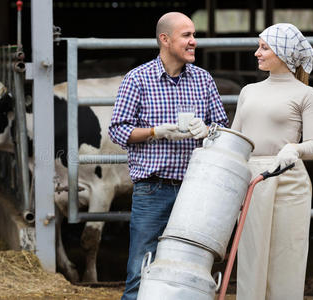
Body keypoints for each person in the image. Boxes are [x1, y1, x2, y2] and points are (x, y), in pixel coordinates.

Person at [109, 12, 228, 300]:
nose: (194, 42)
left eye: (194, 35)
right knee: (140, 269)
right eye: (186, 35)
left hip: (196, 190)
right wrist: (155, 132)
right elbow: (117, 131)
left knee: (190, 269)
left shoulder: (202, 80)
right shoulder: (137, 79)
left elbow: (222, 130)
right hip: (152, 189)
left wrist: (208, 130)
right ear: (165, 39)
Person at [231, 23, 313, 300]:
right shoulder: (248, 91)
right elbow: (235, 138)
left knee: (287, 254)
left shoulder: (307, 95)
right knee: (251, 254)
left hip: (288, 179)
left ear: (282, 53)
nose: (257, 53)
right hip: (253, 180)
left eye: (264, 47)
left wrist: (293, 149)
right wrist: (210, 136)